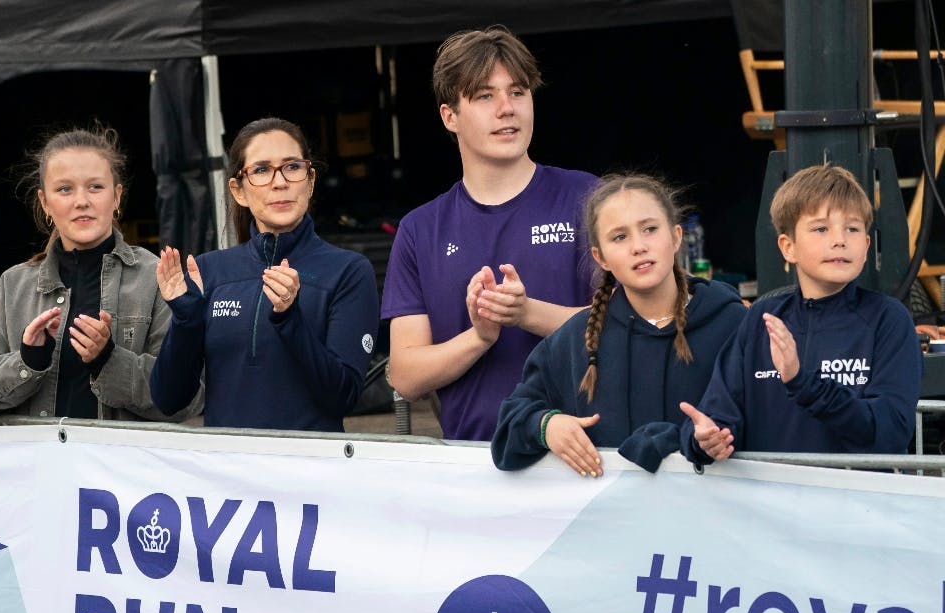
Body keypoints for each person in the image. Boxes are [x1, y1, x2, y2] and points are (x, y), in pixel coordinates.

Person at [382, 26, 600, 441]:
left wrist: (526, 314)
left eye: (518, 92)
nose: (507, 108)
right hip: (474, 471)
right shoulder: (420, 229)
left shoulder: (588, 198)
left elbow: (632, 326)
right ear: (450, 116)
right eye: (485, 96)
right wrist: (480, 336)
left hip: (585, 458)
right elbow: (406, 378)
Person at [491, 175, 746, 475]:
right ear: (601, 257)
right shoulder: (576, 339)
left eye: (650, 229)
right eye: (619, 237)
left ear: (676, 236)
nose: (639, 246)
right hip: (610, 520)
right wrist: (547, 426)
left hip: (714, 517)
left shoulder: (733, 324)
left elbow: (773, 417)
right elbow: (509, 428)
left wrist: (718, 439)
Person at [0, 127, 200, 421]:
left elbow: (190, 397)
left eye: (95, 187)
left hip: (119, 466)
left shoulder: (155, 280)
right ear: (45, 203)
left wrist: (109, 361)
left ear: (117, 196)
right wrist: (27, 362)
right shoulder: (13, 286)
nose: (81, 201)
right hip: (37, 466)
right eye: (65, 189)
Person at [149, 117, 379, 431]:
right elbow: (168, 399)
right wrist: (186, 320)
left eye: (292, 167)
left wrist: (289, 318)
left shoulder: (348, 271)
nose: (279, 182)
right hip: (227, 472)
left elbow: (343, 396)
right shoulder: (209, 271)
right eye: (260, 170)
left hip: (311, 473)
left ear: (310, 181)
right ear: (238, 190)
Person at [680, 164, 922, 462]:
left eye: (853, 228)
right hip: (770, 506)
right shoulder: (762, 318)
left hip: (857, 506)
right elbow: (720, 417)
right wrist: (705, 442)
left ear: (867, 245)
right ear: (788, 247)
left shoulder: (888, 319)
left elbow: (890, 435)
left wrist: (803, 383)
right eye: (821, 228)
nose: (840, 240)